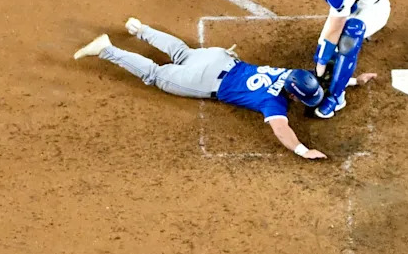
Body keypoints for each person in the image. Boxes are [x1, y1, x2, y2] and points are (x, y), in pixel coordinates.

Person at [72, 17, 376, 160]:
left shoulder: (290, 73)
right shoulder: (275, 104)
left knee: (182, 52)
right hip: (206, 82)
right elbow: (281, 131)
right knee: (155, 74)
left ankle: (141, 30)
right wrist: (302, 149)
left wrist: (355, 81)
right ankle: (107, 50)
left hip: (218, 57)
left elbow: (320, 80)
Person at [290, 0, 390, 119]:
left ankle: (336, 98)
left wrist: (321, 66)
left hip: (374, 10)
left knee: (346, 40)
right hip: (354, 5)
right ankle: (330, 80)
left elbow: (333, 33)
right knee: (323, 48)